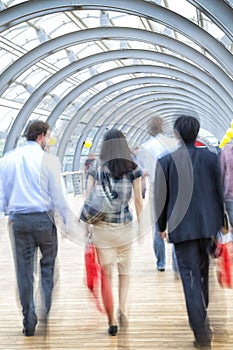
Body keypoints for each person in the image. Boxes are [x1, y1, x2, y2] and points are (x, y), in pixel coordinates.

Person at [154, 115, 224, 348]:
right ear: (197, 132)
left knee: (190, 279)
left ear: (176, 134)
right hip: (207, 227)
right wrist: (221, 224)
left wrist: (161, 226)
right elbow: (219, 192)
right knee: (203, 275)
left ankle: (201, 332)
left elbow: (160, 198)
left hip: (181, 228)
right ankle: (203, 320)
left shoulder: (165, 162)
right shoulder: (211, 158)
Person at [0, 121, 70, 336]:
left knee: (24, 271)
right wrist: (67, 221)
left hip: (19, 221)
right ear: (41, 136)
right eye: (48, 136)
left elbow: (2, 195)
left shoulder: (7, 159)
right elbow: (58, 194)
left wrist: (7, 213)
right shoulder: (48, 160)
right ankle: (45, 309)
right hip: (44, 220)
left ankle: (28, 320)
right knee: (48, 266)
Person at [84, 129, 143, 336]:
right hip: (124, 227)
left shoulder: (95, 167)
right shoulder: (133, 167)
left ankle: (111, 321)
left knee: (106, 275)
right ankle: (123, 309)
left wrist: (86, 226)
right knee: (124, 272)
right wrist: (142, 226)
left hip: (101, 229)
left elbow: (88, 196)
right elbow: (137, 200)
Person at [136, 116, 178, 272]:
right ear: (162, 127)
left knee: (157, 226)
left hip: (156, 187)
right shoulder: (172, 144)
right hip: (174, 186)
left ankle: (161, 263)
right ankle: (177, 263)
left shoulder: (145, 148)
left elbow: (142, 171)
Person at [219, 142, 233, 228]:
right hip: (230, 196)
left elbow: (221, 174)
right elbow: (221, 173)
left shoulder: (226, 150)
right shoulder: (226, 150)